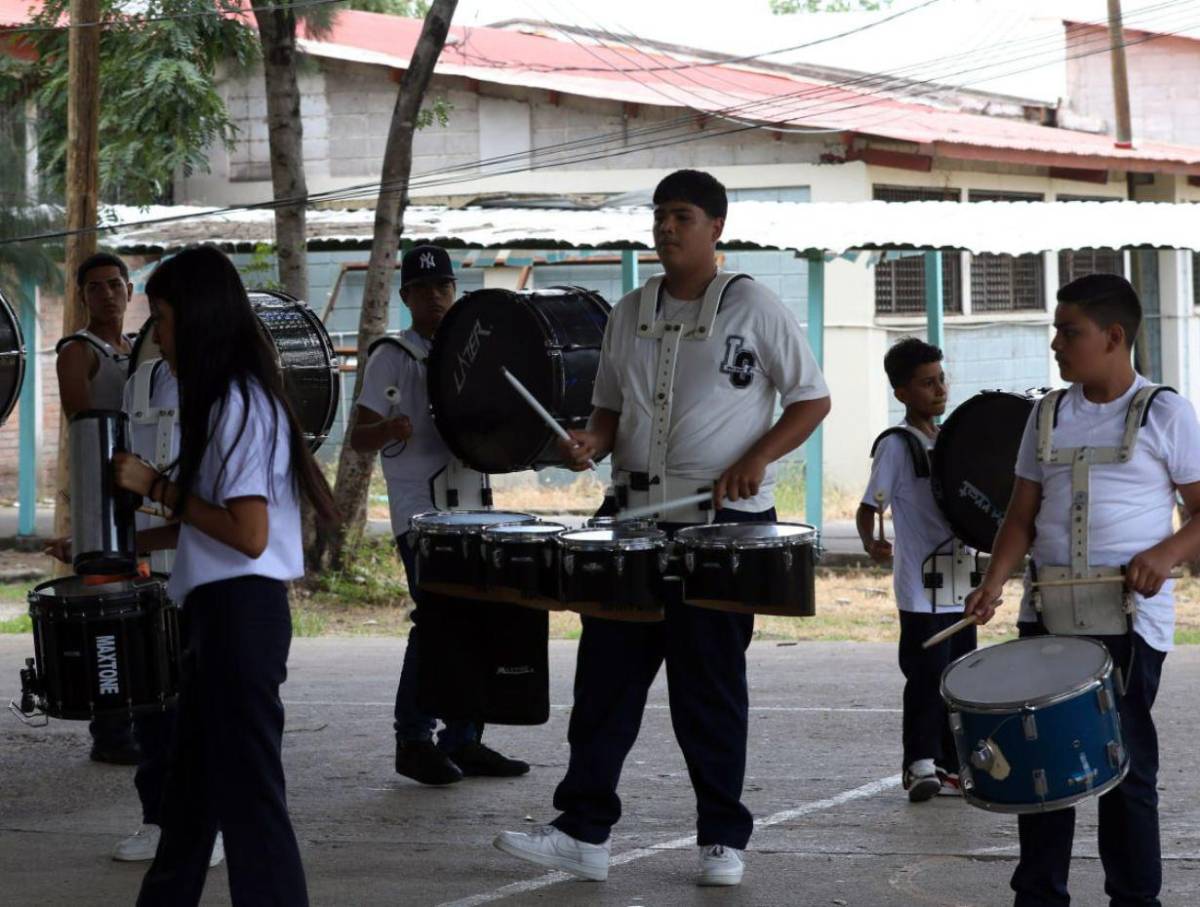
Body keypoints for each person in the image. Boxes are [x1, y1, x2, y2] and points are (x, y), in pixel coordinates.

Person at [493, 170, 831, 888]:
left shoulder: (755, 306)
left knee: (708, 683)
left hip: (723, 527)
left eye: (681, 216)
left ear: (716, 227)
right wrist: (590, 440)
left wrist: (756, 458)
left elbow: (810, 398)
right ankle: (584, 830)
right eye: (659, 216)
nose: (666, 228)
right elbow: (609, 410)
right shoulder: (628, 311)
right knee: (606, 678)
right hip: (634, 521)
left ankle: (721, 838)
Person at [963, 273, 1200, 907]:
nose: (1056, 345)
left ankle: (1135, 897)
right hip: (1047, 616)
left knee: (1124, 771)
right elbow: (1020, 515)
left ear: (1114, 336)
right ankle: (1039, 896)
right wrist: (993, 583)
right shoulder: (1047, 413)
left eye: (1070, 333)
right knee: (1037, 772)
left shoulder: (1165, 412)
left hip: (1126, 621)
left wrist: (1165, 553)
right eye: (1057, 332)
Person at [112, 245, 338, 906]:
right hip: (216, 615)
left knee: (251, 809)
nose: (158, 336)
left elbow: (247, 533)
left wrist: (154, 484)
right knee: (187, 806)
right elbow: (208, 526)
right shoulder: (222, 402)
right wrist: (122, 541)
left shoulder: (239, 401)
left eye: (162, 317)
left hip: (243, 618)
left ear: (199, 316)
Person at [350, 244, 529, 785]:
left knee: (477, 619)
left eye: (444, 288)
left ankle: (464, 739)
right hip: (420, 515)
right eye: (423, 290)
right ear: (406, 298)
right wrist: (388, 430)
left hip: (473, 506)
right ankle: (413, 739)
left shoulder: (474, 352)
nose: (436, 298)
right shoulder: (392, 355)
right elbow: (358, 437)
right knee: (435, 621)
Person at [109, 347, 224, 868]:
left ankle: (210, 824)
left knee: (201, 708)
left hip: (202, 572)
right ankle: (157, 819)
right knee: (150, 705)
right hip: (144, 573)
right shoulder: (136, 384)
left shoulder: (225, 389)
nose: (159, 327)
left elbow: (221, 510)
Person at [856, 338, 975, 802]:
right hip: (921, 584)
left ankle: (950, 764)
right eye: (927, 383)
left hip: (962, 579)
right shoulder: (897, 446)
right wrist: (870, 540)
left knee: (961, 676)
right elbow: (870, 507)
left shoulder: (952, 442)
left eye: (941, 379)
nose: (939, 389)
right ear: (901, 392)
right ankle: (919, 764)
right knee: (927, 674)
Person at [55, 252, 139, 765]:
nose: (106, 294)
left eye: (114, 285)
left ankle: (142, 709)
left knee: (143, 605)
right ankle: (109, 730)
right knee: (106, 611)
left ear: (130, 290)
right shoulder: (77, 350)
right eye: (95, 288)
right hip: (101, 496)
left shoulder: (142, 348)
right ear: (82, 296)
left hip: (144, 490)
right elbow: (82, 419)